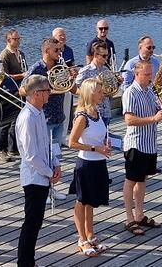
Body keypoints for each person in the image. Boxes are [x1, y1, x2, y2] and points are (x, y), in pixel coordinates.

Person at [16, 75, 61, 267]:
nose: (49, 94)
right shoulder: (27, 117)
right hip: (34, 178)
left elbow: (46, 144)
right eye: (46, 91)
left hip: (43, 174)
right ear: (36, 94)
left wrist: (55, 163)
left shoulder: (40, 113)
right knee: (31, 223)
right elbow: (31, 155)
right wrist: (50, 173)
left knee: (36, 222)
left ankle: (29, 262)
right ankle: (25, 263)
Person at [24, 38, 75, 203]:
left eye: (60, 50)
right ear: (47, 51)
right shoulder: (36, 68)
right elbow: (22, 90)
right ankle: (43, 190)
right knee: (43, 156)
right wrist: (47, 91)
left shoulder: (60, 67)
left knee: (55, 155)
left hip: (59, 117)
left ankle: (52, 189)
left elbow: (72, 88)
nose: (60, 53)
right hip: (43, 118)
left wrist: (72, 77)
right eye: (56, 51)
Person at [121, 61, 162, 236]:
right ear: (137, 74)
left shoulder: (149, 90)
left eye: (151, 74)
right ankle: (129, 218)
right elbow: (129, 120)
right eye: (147, 75)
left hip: (149, 143)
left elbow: (155, 110)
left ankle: (139, 214)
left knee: (142, 180)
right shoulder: (130, 92)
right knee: (131, 180)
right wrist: (154, 118)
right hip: (136, 144)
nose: (150, 78)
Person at [67, 78, 111, 257]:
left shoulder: (97, 113)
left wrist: (104, 143)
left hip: (98, 161)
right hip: (86, 163)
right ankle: (82, 238)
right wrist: (95, 148)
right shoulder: (82, 116)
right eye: (99, 92)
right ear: (90, 94)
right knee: (82, 201)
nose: (102, 94)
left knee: (91, 201)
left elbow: (98, 135)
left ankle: (91, 235)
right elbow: (72, 143)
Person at [0, 29, 27, 162]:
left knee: (16, 121)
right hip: (8, 92)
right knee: (5, 122)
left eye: (19, 38)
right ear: (9, 40)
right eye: (16, 39)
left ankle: (13, 148)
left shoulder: (21, 53)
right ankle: (1, 150)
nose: (18, 41)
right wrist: (22, 75)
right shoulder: (4, 55)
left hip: (20, 90)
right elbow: (2, 77)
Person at [75, 43, 114, 127]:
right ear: (96, 55)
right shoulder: (85, 70)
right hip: (92, 113)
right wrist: (90, 94)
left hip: (106, 111)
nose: (106, 58)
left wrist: (117, 83)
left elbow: (110, 90)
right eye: (104, 56)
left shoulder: (106, 69)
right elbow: (75, 89)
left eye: (107, 55)